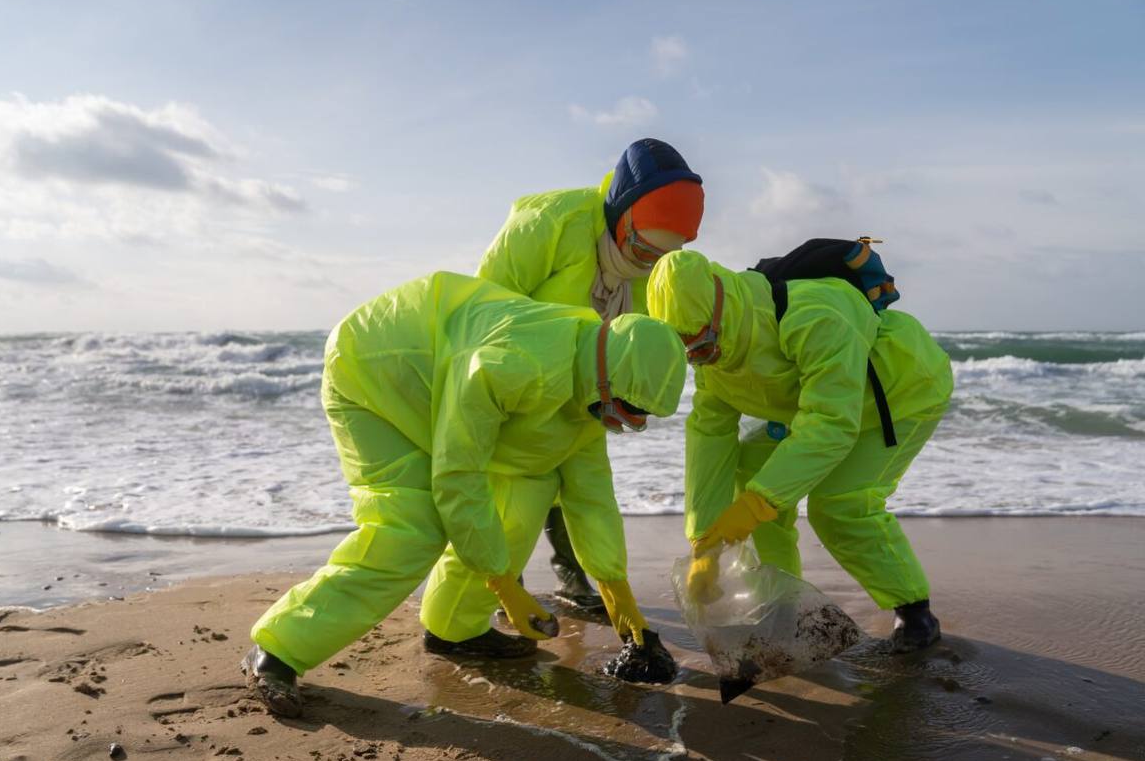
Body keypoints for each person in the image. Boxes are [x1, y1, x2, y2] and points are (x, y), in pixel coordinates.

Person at [243, 272, 686, 717]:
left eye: (643, 416)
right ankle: (280, 650)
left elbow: (591, 496)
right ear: (609, 379)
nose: (634, 424)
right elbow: (458, 475)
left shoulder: (592, 386)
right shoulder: (509, 364)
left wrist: (616, 589)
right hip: (374, 372)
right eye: (631, 410)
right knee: (412, 527)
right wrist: (503, 583)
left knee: (526, 497)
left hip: (441, 384)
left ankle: (454, 628)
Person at [646, 242, 953, 652]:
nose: (702, 359)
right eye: (687, 353)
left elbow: (830, 424)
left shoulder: (814, 314)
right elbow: (709, 434)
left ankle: (915, 613)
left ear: (720, 310)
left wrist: (757, 504)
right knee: (752, 479)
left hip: (899, 394)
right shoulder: (710, 357)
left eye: (702, 345)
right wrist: (704, 541)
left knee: (840, 505)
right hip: (811, 406)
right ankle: (782, 606)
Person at [466, 137, 704, 612]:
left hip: (585, 387)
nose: (645, 263)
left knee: (581, 484)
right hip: (516, 378)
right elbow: (483, 308)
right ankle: (477, 601)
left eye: (660, 256)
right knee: (506, 491)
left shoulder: (652, 267)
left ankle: (574, 577)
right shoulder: (551, 224)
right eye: (640, 246)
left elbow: (648, 337)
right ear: (620, 214)